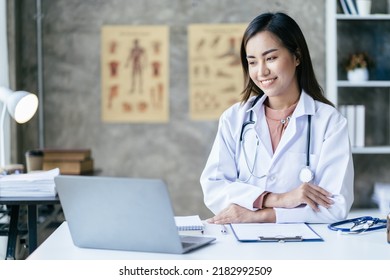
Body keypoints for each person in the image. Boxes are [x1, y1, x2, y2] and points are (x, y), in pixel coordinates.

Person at [200, 12, 354, 224]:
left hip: (305, 248)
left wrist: (261, 215)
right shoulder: (235, 118)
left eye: (271, 58)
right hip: (243, 247)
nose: (261, 71)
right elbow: (214, 187)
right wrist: (279, 199)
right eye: (252, 62)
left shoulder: (329, 122)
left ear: (297, 57)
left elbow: (336, 206)